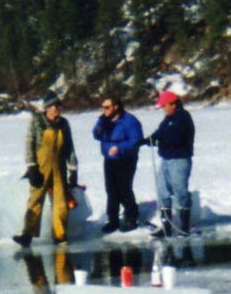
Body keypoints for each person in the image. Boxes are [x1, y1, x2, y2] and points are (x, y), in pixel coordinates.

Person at [14, 95, 77, 248]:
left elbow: (69, 147)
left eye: (59, 106)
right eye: (54, 106)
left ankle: (60, 236)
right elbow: (29, 144)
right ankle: (27, 235)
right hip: (40, 168)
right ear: (47, 108)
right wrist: (31, 166)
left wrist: (73, 169)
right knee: (35, 201)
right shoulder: (36, 121)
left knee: (61, 202)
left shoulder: (63, 123)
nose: (57, 109)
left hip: (59, 167)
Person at [91, 95, 144, 233]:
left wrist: (120, 147)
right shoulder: (104, 119)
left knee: (124, 188)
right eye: (103, 107)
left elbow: (136, 140)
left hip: (126, 159)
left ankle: (131, 217)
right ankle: (112, 219)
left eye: (107, 107)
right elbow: (96, 135)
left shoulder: (129, 121)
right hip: (109, 159)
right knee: (111, 189)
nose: (105, 110)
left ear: (116, 107)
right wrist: (101, 125)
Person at [150, 90, 195, 237]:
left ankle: (184, 228)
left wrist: (160, 141)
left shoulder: (183, 118)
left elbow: (176, 138)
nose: (163, 109)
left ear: (173, 104)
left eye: (165, 106)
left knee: (180, 191)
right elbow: (160, 133)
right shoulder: (167, 120)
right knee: (162, 190)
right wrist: (147, 139)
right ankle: (166, 227)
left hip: (180, 160)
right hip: (166, 159)